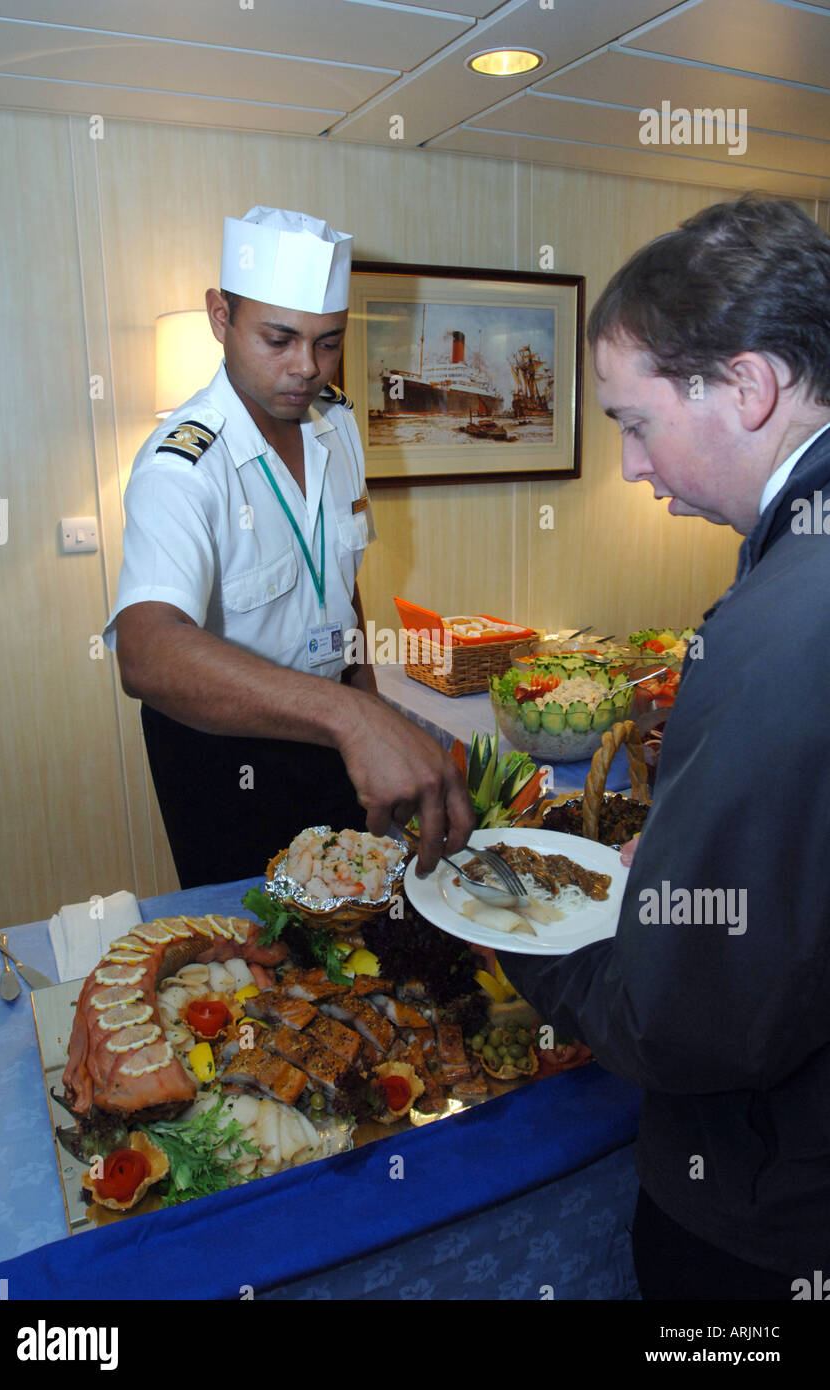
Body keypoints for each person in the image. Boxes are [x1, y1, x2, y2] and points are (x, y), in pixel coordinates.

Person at [500, 195, 830, 1301]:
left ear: (745, 387)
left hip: (768, 1203)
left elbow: (684, 1021)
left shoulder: (784, 625)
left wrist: (511, 925)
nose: (632, 469)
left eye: (634, 422)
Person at [103, 206, 473, 887]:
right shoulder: (180, 466)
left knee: (369, 911)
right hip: (226, 753)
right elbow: (145, 652)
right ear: (220, 317)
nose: (305, 368)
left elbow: (338, 581)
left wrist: (366, 701)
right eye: (278, 338)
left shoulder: (335, 426)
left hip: (333, 725)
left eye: (327, 342)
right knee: (262, 951)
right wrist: (352, 716)